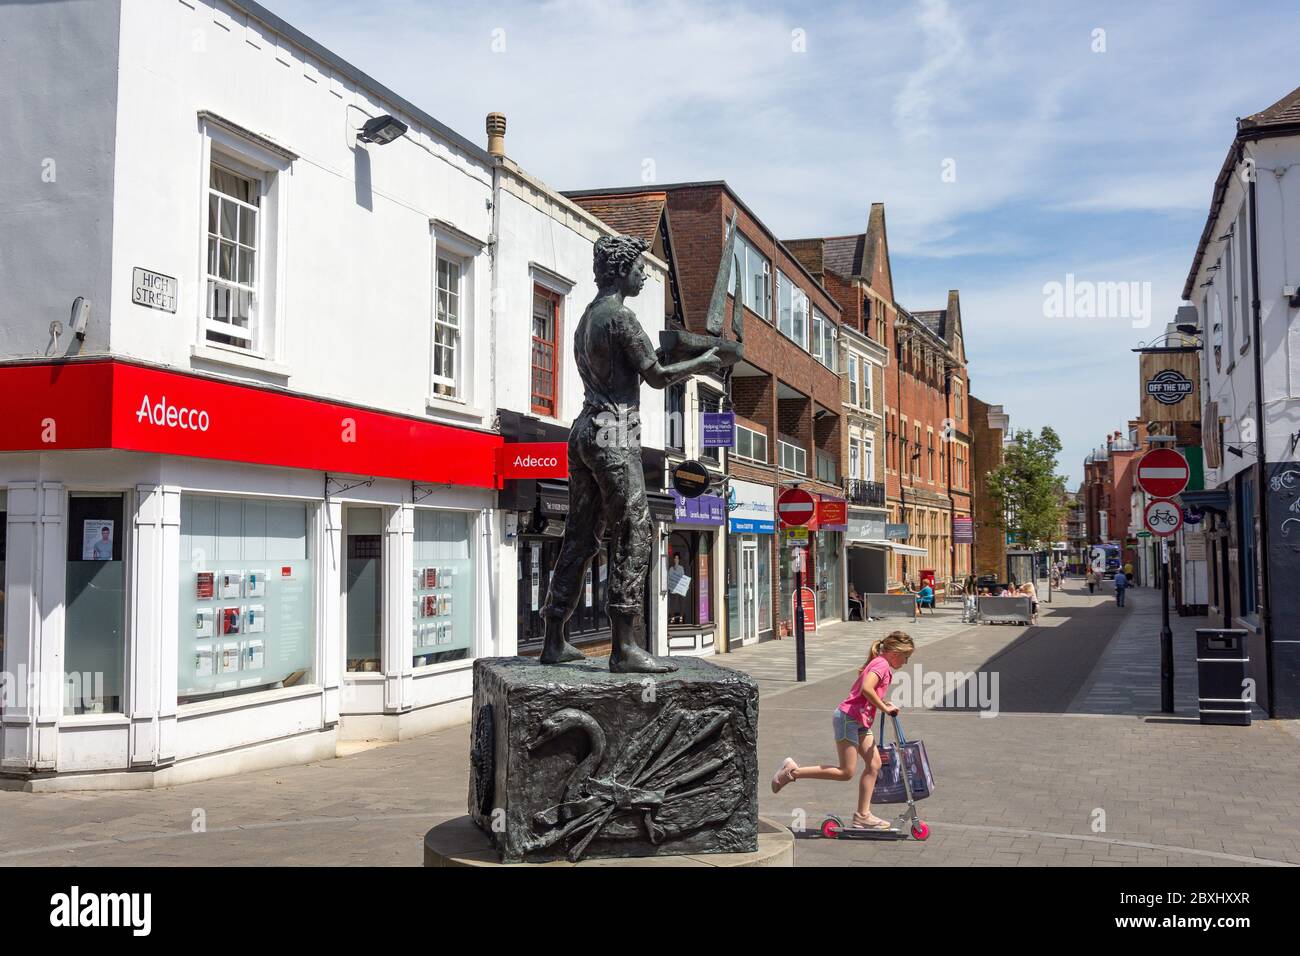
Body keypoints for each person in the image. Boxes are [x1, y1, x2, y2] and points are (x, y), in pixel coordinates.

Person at [538, 234, 723, 673]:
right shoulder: (621, 317)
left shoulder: (587, 317)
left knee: (580, 536)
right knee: (634, 528)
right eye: (639, 266)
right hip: (615, 432)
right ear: (621, 270)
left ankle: (552, 639)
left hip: (584, 429)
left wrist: (674, 352)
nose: (644, 272)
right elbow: (657, 377)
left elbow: (636, 366)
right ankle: (624, 646)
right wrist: (702, 363)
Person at [770, 631, 916, 829]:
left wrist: (882, 702)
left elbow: (866, 693)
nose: (906, 662)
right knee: (846, 772)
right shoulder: (881, 664)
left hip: (860, 721)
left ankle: (863, 816)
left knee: (874, 765)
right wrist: (884, 708)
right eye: (906, 657)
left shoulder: (881, 663)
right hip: (849, 718)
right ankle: (792, 772)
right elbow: (866, 688)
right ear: (895, 653)